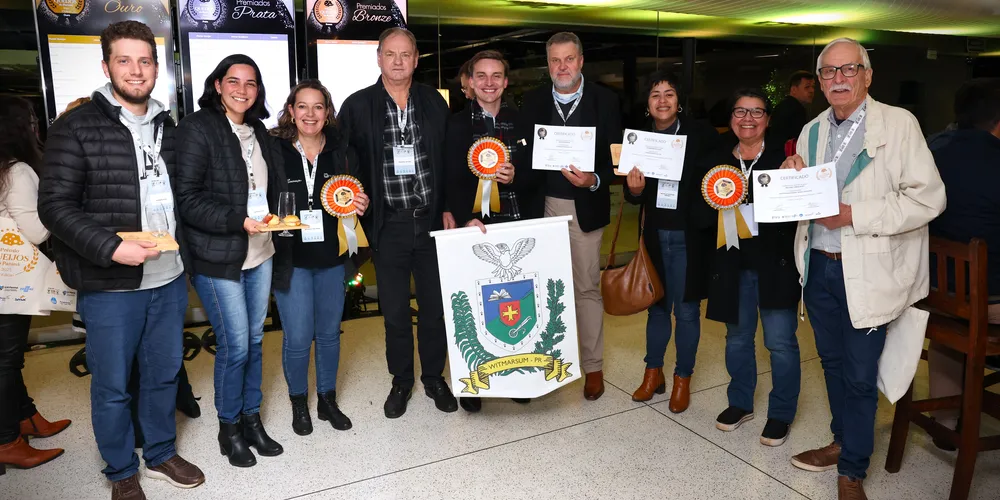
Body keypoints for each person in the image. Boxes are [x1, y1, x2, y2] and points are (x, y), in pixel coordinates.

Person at [37, 20, 204, 499]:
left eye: (145, 60)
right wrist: (112, 247)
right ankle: (119, 472)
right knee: (112, 385)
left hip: (168, 278)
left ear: (157, 68)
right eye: (124, 60)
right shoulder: (77, 126)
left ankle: (160, 453)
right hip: (111, 284)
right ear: (106, 65)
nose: (136, 70)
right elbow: (55, 207)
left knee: (162, 374)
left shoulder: (167, 126)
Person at [782, 38, 946, 500]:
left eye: (848, 70)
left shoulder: (899, 124)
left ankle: (852, 470)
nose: (838, 79)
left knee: (858, 373)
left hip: (868, 272)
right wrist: (793, 173)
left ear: (867, 76)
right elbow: (807, 196)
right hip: (819, 267)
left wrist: (854, 214)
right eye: (829, 72)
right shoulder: (813, 130)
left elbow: (929, 199)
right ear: (818, 81)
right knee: (832, 364)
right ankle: (843, 440)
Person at [175, 54, 290, 467]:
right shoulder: (197, 128)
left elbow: (266, 186)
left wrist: (277, 216)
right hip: (216, 255)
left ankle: (251, 419)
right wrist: (237, 220)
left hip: (261, 252)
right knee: (236, 344)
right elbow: (187, 199)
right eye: (234, 81)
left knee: (256, 340)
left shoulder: (259, 130)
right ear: (218, 85)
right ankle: (229, 428)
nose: (243, 89)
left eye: (251, 83)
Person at [338, 27, 457, 418]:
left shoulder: (435, 103)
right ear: (378, 58)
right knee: (394, 312)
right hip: (387, 225)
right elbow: (343, 164)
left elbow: (450, 161)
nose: (398, 61)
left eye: (406, 54)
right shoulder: (357, 106)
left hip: (430, 223)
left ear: (417, 58)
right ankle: (401, 381)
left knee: (434, 308)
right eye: (391, 54)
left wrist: (450, 207)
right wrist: (355, 197)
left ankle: (434, 378)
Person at [519, 31, 621, 400]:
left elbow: (617, 161)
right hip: (541, 205)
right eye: (555, 60)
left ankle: (592, 368)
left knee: (586, 289)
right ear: (548, 65)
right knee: (541, 289)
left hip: (584, 208)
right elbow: (523, 157)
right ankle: (545, 364)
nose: (562, 67)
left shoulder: (606, 102)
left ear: (580, 61)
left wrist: (595, 179)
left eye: (569, 59)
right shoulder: (531, 102)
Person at [269, 80, 371, 435]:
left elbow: (357, 195)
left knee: (329, 334)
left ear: (328, 113)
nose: (310, 114)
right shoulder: (274, 149)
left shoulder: (343, 153)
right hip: (291, 259)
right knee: (297, 336)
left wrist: (362, 203)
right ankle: (299, 401)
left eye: (318, 107)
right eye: (303, 106)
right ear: (291, 111)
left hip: (332, 256)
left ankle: (327, 399)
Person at [701, 89, 801, 447]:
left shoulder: (785, 159)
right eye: (740, 111)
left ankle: (781, 412)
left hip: (776, 264)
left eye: (757, 112)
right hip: (732, 264)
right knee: (738, 339)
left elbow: (797, 210)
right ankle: (740, 402)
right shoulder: (715, 158)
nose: (748, 119)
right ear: (730, 118)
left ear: (768, 119)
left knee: (780, 343)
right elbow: (701, 212)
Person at [443, 49, 539, 413]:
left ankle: (518, 375)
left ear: (506, 81)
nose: (488, 82)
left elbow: (538, 173)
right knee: (471, 305)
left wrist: (519, 175)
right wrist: (464, 216)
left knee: (516, 303)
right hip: (475, 226)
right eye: (480, 75)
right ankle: (472, 382)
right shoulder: (455, 124)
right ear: (469, 81)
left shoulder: (523, 121)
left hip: (516, 224)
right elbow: (450, 175)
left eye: (496, 75)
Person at [622, 71, 718, 411]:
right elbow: (633, 195)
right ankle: (653, 373)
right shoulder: (638, 139)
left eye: (669, 94)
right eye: (655, 95)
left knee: (688, 312)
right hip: (654, 236)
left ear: (679, 101)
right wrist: (634, 190)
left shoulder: (701, 135)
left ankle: (683, 378)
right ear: (647, 104)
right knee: (657, 309)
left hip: (689, 237)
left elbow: (714, 184)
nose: (662, 100)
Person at [926, 78, 1000, 449]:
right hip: (989, 300)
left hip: (935, 293)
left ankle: (945, 418)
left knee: (953, 319)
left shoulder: (933, 146)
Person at [0, 96, 69, 475]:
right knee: (6, 360)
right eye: (29, 119)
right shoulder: (18, 171)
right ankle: (7, 441)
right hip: (11, 282)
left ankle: (26, 417)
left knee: (6, 358)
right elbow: (37, 230)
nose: (36, 125)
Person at [770, 71, 816, 146]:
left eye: (813, 87)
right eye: (807, 87)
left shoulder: (782, 106)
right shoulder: (796, 109)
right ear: (794, 90)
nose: (811, 91)